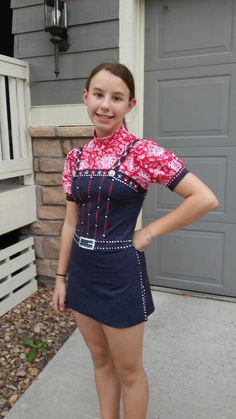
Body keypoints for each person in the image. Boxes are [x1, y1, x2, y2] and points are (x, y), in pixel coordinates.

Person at [53, 61, 219, 419]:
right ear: (85, 96)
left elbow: (204, 198)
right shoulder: (75, 158)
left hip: (120, 277)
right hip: (82, 275)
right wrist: (60, 278)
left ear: (131, 105)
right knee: (99, 360)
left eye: (117, 97)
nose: (105, 105)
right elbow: (70, 223)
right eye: (98, 94)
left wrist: (147, 233)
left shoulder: (142, 153)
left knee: (128, 371)